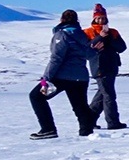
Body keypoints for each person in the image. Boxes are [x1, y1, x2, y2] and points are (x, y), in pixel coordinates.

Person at [29, 10, 98, 139]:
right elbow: (91, 54)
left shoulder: (61, 35)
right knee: (80, 106)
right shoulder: (83, 35)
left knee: (36, 97)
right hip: (81, 77)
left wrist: (46, 79)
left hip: (62, 76)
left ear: (61, 20)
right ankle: (87, 133)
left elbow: (56, 58)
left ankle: (48, 129)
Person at [84, 4, 128, 130]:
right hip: (99, 67)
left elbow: (122, 47)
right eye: (98, 18)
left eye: (103, 18)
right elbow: (86, 50)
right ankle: (113, 122)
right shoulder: (88, 32)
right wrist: (99, 37)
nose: (101, 20)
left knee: (103, 95)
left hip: (112, 66)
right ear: (94, 19)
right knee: (109, 95)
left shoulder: (113, 32)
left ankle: (89, 120)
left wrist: (109, 38)